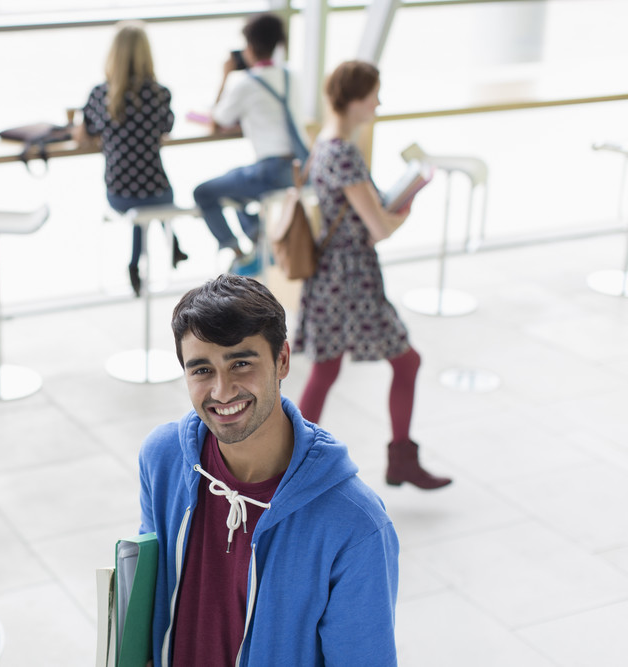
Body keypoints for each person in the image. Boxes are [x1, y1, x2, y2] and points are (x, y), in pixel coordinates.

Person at [139, 275, 398, 666]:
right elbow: (146, 598)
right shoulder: (163, 459)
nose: (223, 391)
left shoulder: (355, 524)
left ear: (282, 360)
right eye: (202, 370)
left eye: (241, 363)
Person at [292, 60, 452, 490]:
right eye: (373, 95)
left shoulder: (325, 144)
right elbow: (377, 228)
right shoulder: (344, 151)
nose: (378, 103)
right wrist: (404, 210)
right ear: (356, 99)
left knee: (325, 373)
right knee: (406, 361)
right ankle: (399, 459)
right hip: (352, 280)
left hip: (332, 277)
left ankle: (291, 468)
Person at [193, 13, 311, 276]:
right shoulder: (293, 76)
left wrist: (225, 76)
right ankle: (258, 240)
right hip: (299, 170)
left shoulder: (245, 84)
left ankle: (239, 252)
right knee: (237, 187)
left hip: (269, 172)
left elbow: (218, 119)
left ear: (250, 47)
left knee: (203, 192)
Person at [75, 21, 187, 298]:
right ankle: (171, 243)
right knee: (157, 194)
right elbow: (166, 128)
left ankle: (135, 263)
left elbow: (84, 133)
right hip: (157, 192)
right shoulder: (160, 93)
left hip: (119, 193)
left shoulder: (101, 95)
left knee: (138, 207)